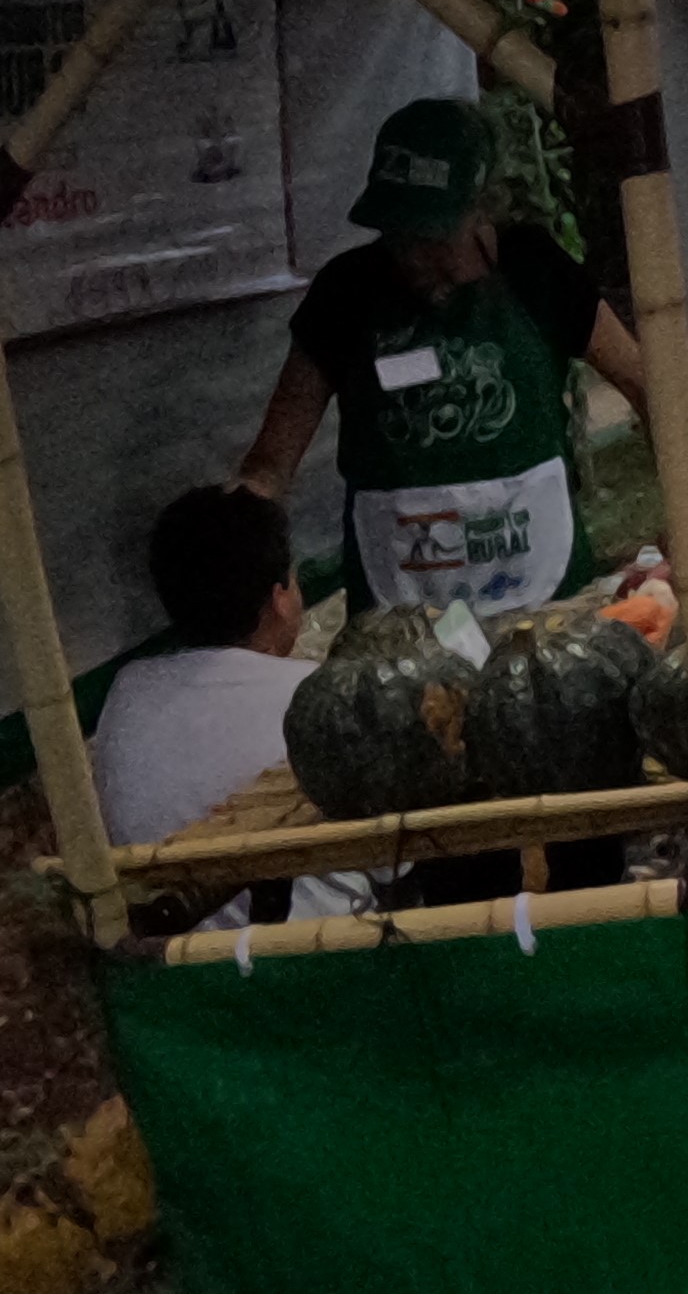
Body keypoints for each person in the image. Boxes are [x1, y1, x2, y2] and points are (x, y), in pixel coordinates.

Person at [228, 97, 654, 616]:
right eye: (396, 233)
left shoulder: (536, 269)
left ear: (482, 210)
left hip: (543, 589)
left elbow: (645, 384)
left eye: (431, 236)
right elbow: (271, 463)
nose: (411, 255)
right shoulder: (345, 293)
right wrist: (242, 528)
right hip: (400, 606)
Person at [94, 486, 319, 850]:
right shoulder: (313, 694)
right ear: (279, 599)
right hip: (310, 907)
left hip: (150, 901)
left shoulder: (128, 689)